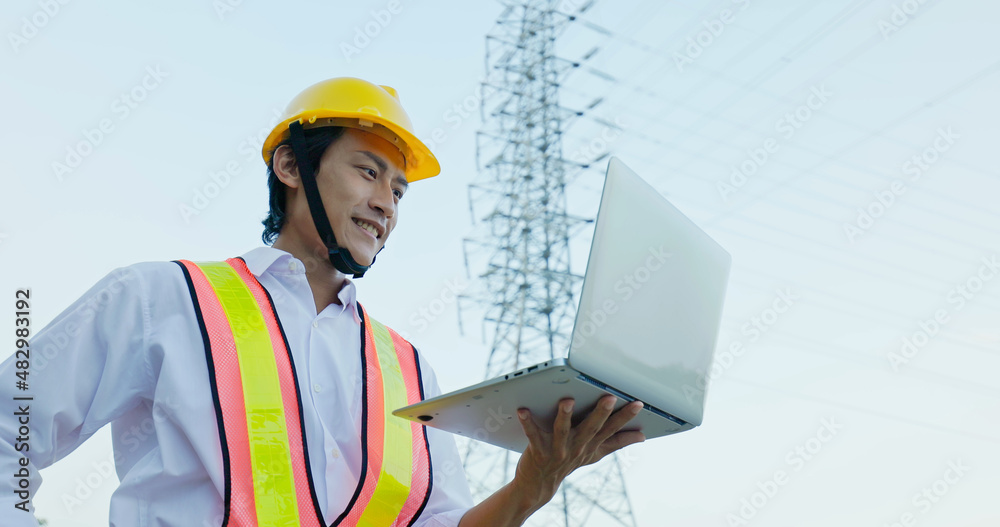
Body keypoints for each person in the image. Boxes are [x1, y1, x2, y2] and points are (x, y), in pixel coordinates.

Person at [0, 77, 645, 526]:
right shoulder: (158, 298)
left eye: (399, 189)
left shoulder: (409, 369)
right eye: (367, 171)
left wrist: (536, 483)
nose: (386, 203)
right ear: (289, 165)